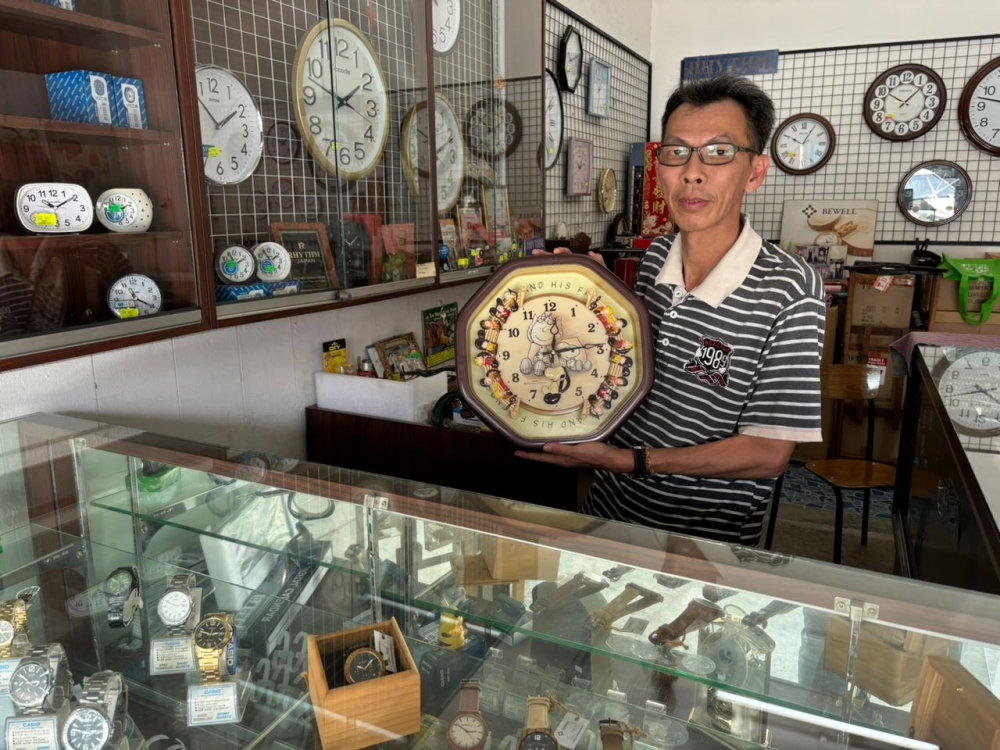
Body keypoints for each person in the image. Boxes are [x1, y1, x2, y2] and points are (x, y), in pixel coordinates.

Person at [517, 75, 825, 546]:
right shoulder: (656, 257)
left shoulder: (791, 289)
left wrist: (629, 461)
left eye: (719, 152)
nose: (692, 173)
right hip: (609, 511)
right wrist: (589, 294)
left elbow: (767, 454)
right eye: (677, 152)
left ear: (755, 172)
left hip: (702, 543)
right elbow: (624, 370)